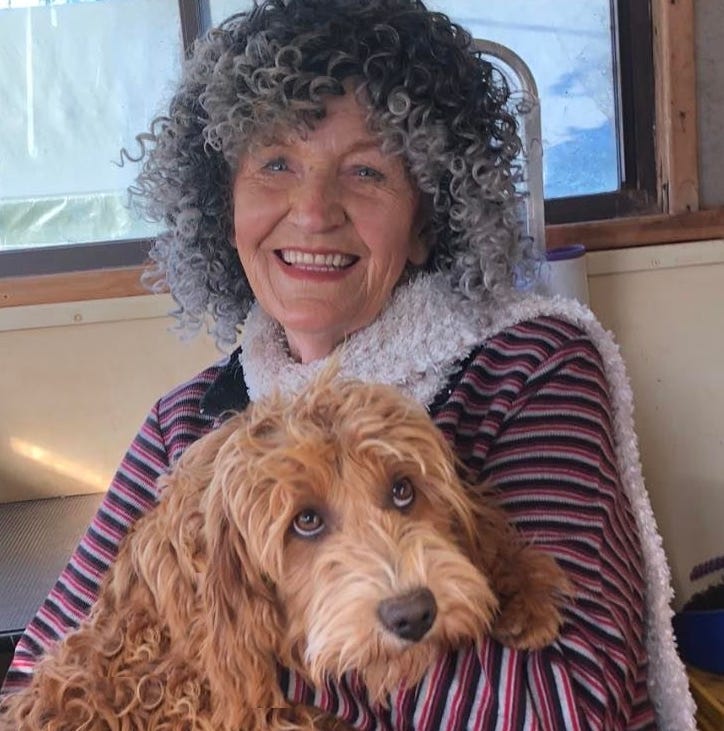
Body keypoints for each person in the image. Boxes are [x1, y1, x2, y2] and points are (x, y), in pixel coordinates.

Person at [1, 0, 695, 728]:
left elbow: (565, 707)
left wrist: (257, 625)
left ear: (426, 219)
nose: (313, 211)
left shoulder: (530, 367)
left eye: (366, 171)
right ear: (223, 209)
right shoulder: (186, 421)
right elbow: (40, 674)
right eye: (275, 164)